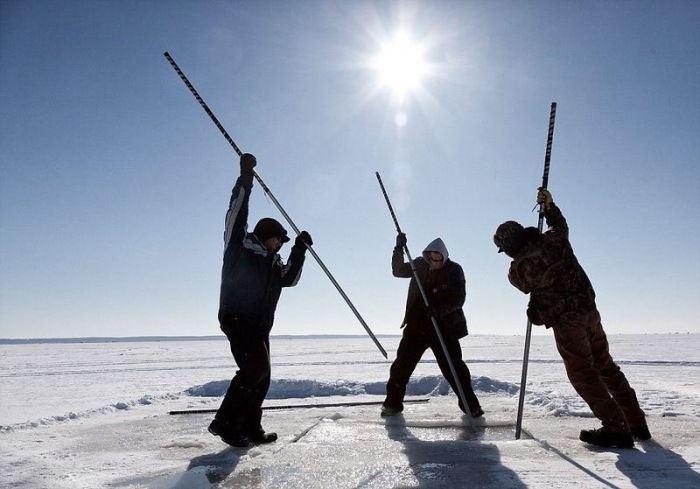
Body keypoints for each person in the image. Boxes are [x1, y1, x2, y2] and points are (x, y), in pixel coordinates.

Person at [493, 188, 651, 448]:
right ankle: (636, 423)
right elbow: (560, 224)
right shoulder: (555, 239)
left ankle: (616, 427)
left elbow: (520, 283)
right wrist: (550, 206)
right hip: (590, 312)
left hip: (568, 322)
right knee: (606, 367)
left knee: (583, 373)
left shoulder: (520, 265)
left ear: (508, 247)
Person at [209, 153, 312, 447]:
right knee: (253, 371)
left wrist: (300, 250)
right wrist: (246, 178)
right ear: (267, 235)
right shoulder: (239, 246)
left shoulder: (272, 264)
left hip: (259, 325)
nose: (281, 244)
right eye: (280, 239)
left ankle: (252, 427)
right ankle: (225, 424)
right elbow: (236, 212)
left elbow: (289, 278)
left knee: (262, 376)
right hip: (237, 317)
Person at [382, 234, 483, 418]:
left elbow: (459, 298)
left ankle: (471, 406)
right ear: (428, 256)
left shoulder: (454, 270)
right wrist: (398, 249)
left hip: (443, 328)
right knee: (401, 367)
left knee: (454, 368)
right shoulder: (419, 265)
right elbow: (397, 271)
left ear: (444, 256)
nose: (435, 262)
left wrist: (438, 310)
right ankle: (392, 405)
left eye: (439, 259)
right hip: (416, 327)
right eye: (432, 259)